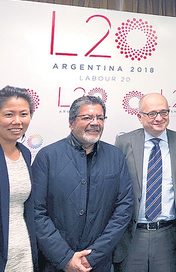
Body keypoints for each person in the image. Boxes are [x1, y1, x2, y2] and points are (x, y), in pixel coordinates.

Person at [33, 96, 133, 272]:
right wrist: (65, 258)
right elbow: (37, 212)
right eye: (87, 117)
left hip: (98, 262)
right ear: (71, 122)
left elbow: (123, 208)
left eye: (100, 118)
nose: (95, 123)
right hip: (54, 263)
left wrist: (93, 256)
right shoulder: (47, 156)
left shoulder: (115, 156)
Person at [113, 93, 176, 272]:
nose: (159, 118)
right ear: (139, 116)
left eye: (164, 112)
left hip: (168, 236)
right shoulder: (124, 142)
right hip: (132, 235)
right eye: (152, 113)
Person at [0, 86, 38, 271]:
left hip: (22, 252)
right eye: (9, 114)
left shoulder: (25, 153)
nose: (17, 121)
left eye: (24, 114)